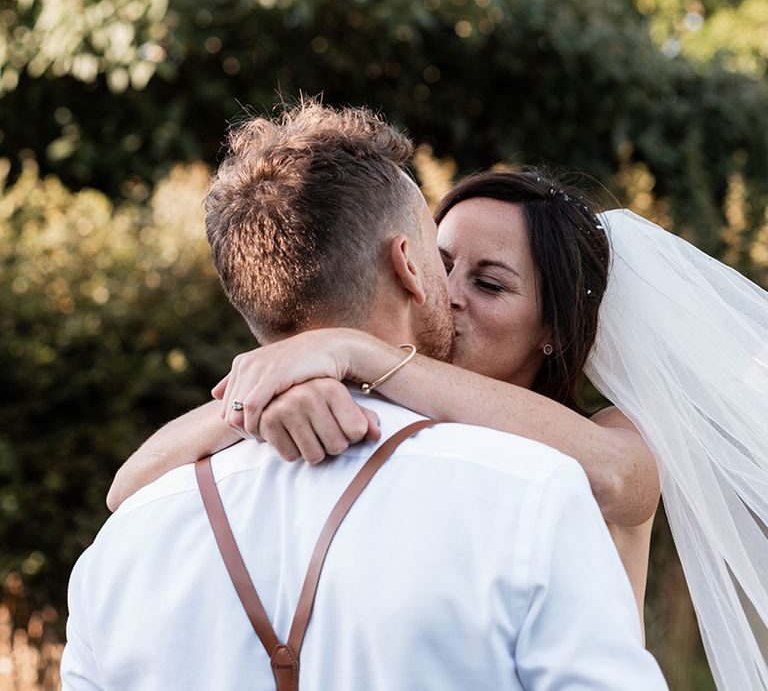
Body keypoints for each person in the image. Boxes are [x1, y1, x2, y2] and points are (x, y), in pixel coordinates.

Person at [109, 143, 768, 689]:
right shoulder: (377, 397)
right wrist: (266, 401)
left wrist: (353, 350)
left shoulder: (614, 432)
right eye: (441, 262)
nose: (447, 295)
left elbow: (615, 478)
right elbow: (129, 489)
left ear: (554, 332)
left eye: (490, 283)